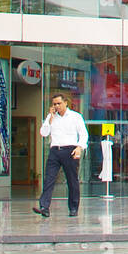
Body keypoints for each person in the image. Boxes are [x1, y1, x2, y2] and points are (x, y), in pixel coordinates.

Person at [34, 90, 88, 218]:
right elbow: (44, 133)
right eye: (54, 104)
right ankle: (44, 207)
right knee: (49, 179)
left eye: (59, 103)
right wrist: (49, 119)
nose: (56, 106)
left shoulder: (76, 117)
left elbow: (84, 134)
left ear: (65, 103)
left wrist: (80, 147)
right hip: (55, 150)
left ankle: (73, 208)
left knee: (72, 180)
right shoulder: (51, 117)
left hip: (70, 150)